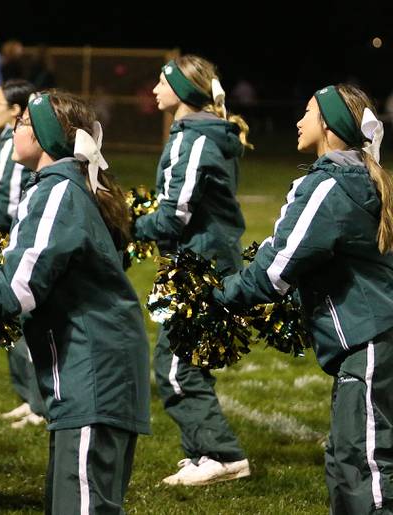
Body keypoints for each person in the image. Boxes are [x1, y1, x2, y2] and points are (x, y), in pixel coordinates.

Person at [0, 90, 151, 514]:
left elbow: (18, 289)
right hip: (88, 374)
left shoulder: (56, 191)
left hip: (93, 372)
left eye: (24, 124)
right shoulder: (65, 186)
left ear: (49, 137)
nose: (14, 130)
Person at [213, 84, 393, 514]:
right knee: (348, 457)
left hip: (370, 342)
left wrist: (219, 296)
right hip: (376, 340)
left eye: (308, 112)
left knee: (364, 467)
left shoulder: (329, 186)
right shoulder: (361, 178)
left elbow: (277, 269)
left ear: (329, 125)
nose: (298, 121)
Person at [134, 55, 252, 486]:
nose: (154, 91)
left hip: (201, 265)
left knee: (174, 365)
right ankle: (203, 451)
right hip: (207, 260)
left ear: (183, 91)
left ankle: (223, 454)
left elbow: (172, 218)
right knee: (186, 361)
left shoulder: (194, 139)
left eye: (161, 82)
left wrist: (121, 224)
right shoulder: (201, 133)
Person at [0, 79, 45, 428]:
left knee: (22, 321)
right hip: (6, 234)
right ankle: (27, 396)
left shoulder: (14, 145)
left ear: (17, 110)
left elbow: (5, 204)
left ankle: (38, 402)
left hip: (10, 237)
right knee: (11, 325)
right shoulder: (7, 140)